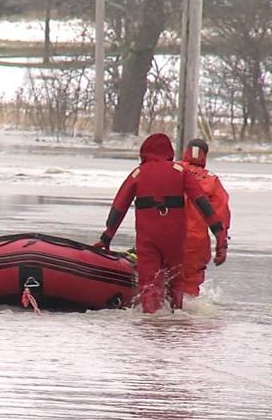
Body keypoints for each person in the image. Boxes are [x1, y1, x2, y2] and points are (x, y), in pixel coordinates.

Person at [94, 133, 228, 314]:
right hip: (182, 240)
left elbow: (119, 206)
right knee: (178, 284)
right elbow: (206, 206)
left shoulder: (139, 173)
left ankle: (150, 322)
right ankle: (176, 321)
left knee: (149, 283)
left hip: (149, 238)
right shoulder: (185, 173)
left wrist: (106, 237)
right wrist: (220, 237)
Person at [179, 138, 231, 297]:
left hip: (165, 236)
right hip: (195, 243)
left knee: (158, 279)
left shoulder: (171, 171)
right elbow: (221, 216)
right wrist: (221, 246)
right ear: (205, 156)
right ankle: (184, 317)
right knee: (189, 290)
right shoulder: (211, 181)